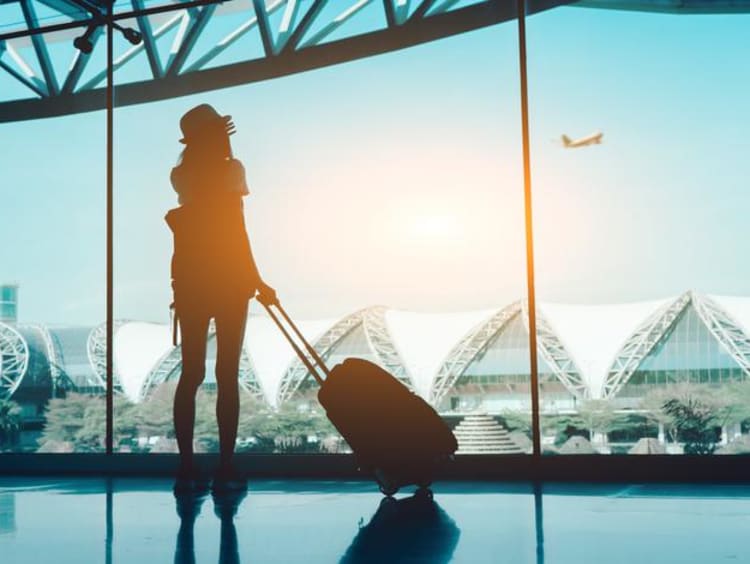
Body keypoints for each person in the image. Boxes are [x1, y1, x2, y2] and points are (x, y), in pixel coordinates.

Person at [165, 104, 276, 493]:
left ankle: (186, 466)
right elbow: (235, 228)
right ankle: (226, 465)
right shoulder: (232, 170)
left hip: (191, 282)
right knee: (226, 375)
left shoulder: (181, 176)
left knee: (190, 374)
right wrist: (257, 279)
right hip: (229, 281)